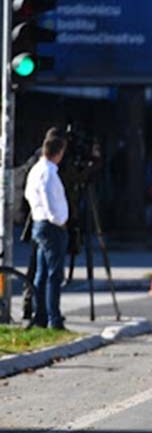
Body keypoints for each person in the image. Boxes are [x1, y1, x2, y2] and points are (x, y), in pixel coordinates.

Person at [24, 132, 69, 329]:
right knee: (54, 274)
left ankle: (40, 314)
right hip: (51, 226)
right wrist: (58, 220)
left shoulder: (36, 169)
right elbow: (50, 199)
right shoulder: (49, 173)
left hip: (38, 222)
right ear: (58, 152)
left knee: (41, 273)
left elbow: (28, 193)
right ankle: (54, 318)